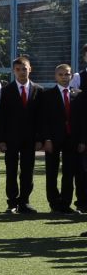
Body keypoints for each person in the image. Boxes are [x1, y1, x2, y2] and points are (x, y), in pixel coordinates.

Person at [0, 56, 40, 215]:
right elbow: (2, 117)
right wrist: (0, 139)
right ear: (14, 71)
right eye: (18, 69)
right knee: (11, 170)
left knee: (28, 171)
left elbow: (40, 118)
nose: (22, 72)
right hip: (11, 139)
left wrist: (40, 139)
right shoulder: (6, 90)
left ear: (30, 69)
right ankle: (12, 202)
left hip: (30, 139)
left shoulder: (38, 90)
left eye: (24, 68)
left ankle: (25, 201)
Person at [38, 63, 78, 215]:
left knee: (69, 173)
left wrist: (81, 140)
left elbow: (81, 120)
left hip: (72, 139)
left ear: (71, 76)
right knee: (52, 172)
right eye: (61, 74)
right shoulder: (47, 95)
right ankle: (54, 203)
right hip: (53, 140)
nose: (64, 77)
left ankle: (66, 203)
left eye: (67, 74)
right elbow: (44, 119)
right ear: (55, 76)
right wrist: (46, 139)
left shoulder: (78, 94)